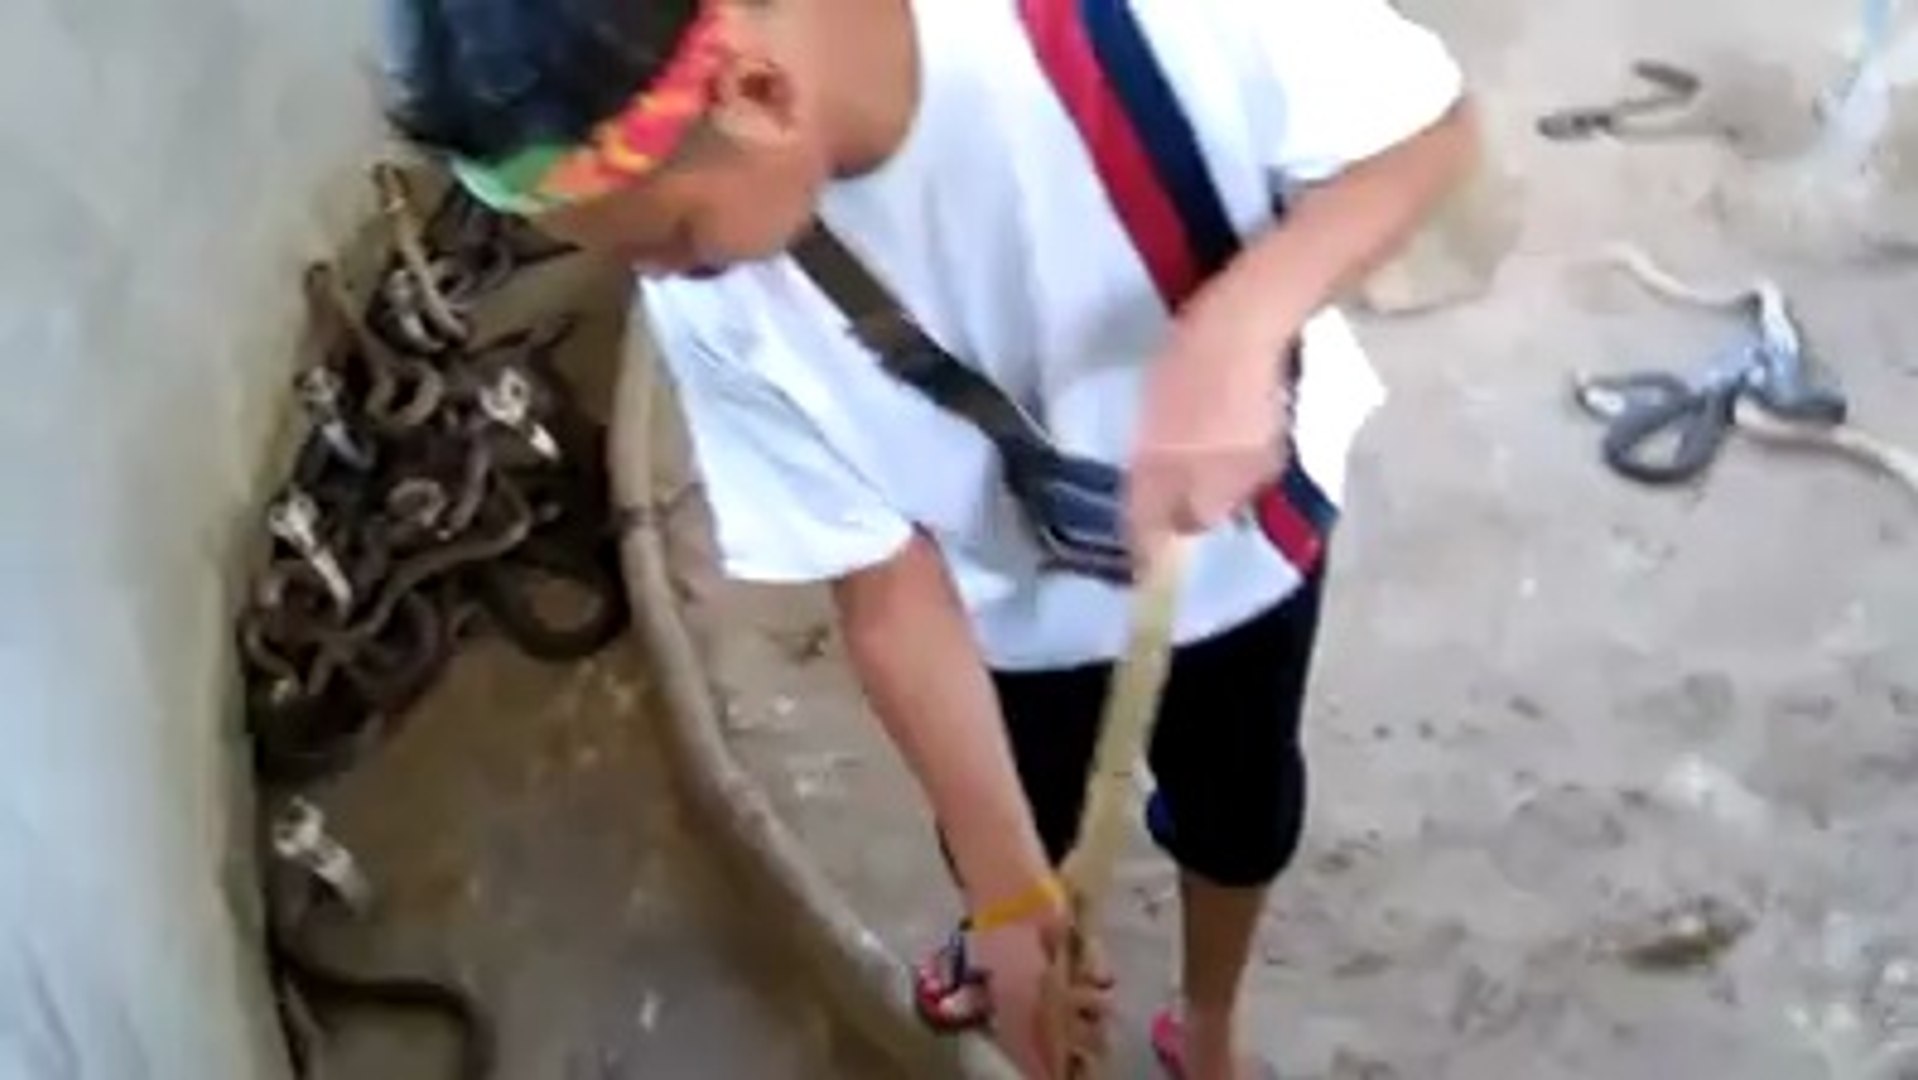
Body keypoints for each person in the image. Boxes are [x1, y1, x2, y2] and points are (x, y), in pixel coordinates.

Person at [380, 0, 1475, 1075]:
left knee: (1237, 808)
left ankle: (1208, 1021)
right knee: (1013, 815)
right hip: (998, 606)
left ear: (757, 90)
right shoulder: (711, 303)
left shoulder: (1153, 24)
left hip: (1238, 551)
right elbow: (884, 584)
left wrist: (1247, 318)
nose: (658, 278)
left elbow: (1426, 129)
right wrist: (1007, 900)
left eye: (676, 239)